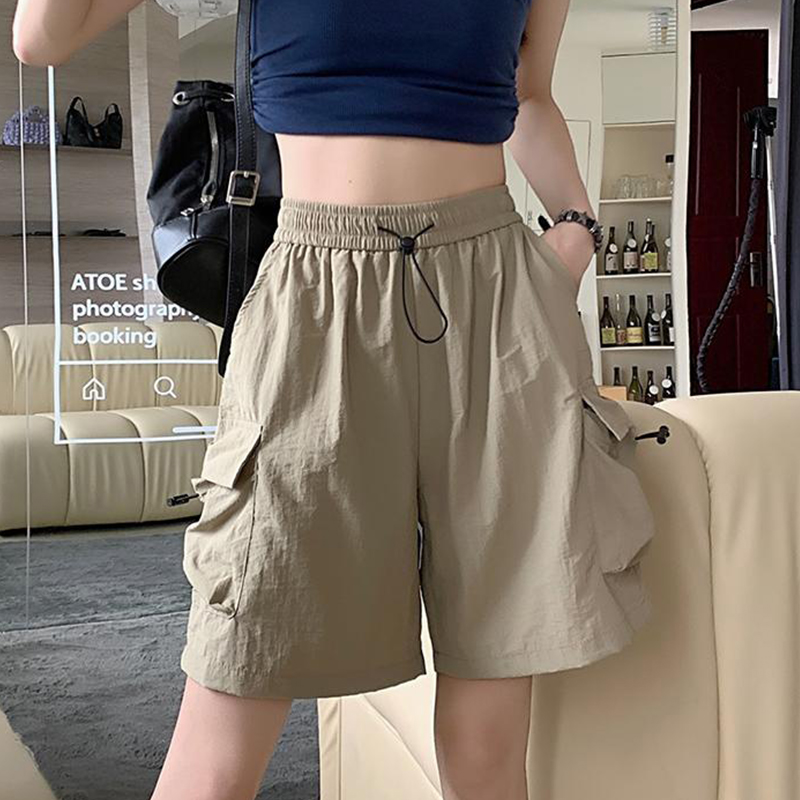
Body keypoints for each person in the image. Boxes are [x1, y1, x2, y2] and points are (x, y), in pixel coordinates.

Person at [13, 2, 657, 799]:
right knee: (232, 686)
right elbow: (41, 35)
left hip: (497, 297)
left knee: (490, 736)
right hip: (316, 291)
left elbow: (527, 91)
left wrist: (578, 225)